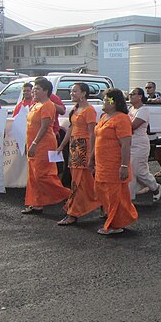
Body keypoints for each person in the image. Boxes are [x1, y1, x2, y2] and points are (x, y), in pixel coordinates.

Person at [22, 77, 70, 214]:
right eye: (34, 89)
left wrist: (35, 144)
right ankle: (36, 203)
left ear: (46, 91)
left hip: (43, 144)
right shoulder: (35, 104)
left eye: (37, 89)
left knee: (42, 175)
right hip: (33, 143)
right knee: (33, 174)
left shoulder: (48, 105)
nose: (33, 91)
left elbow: (44, 127)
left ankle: (67, 194)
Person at [56, 83, 101, 225]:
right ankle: (102, 202)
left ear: (83, 93)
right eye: (71, 91)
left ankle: (73, 213)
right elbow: (71, 128)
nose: (71, 93)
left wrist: (92, 153)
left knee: (79, 181)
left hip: (83, 147)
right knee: (83, 181)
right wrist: (62, 145)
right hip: (74, 147)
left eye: (75, 91)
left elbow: (92, 134)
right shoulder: (76, 108)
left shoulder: (89, 110)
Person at [94, 88, 138, 234]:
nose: (104, 102)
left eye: (106, 99)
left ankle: (114, 224)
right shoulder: (104, 117)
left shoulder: (121, 118)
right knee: (102, 192)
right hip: (102, 164)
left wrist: (124, 165)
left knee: (114, 195)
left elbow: (126, 144)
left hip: (114, 164)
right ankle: (115, 220)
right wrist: (91, 158)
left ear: (113, 102)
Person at [128, 87, 161, 202]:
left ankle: (155, 187)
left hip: (139, 144)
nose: (130, 96)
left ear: (140, 96)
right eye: (129, 94)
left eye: (133, 94)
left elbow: (132, 126)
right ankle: (129, 197)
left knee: (139, 172)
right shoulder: (130, 109)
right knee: (131, 171)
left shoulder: (143, 110)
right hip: (130, 143)